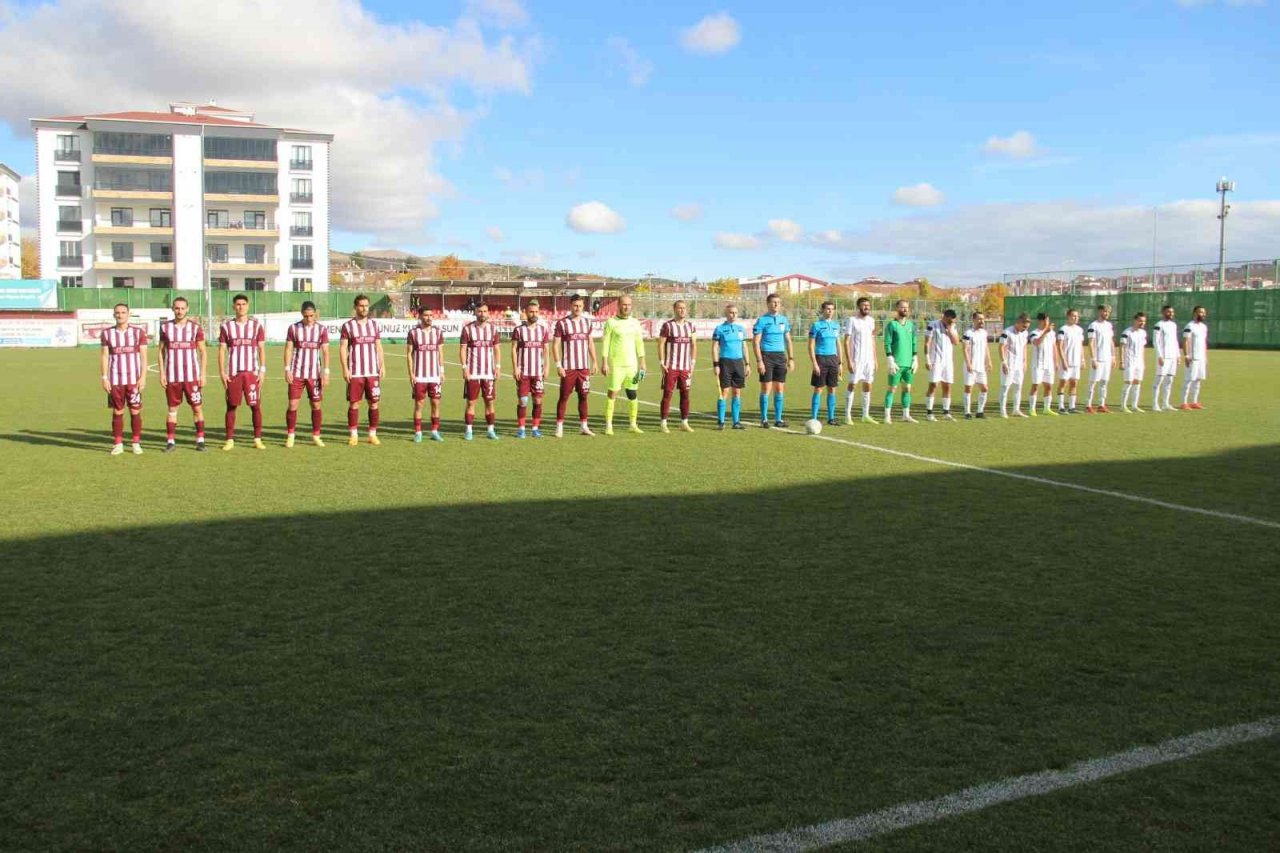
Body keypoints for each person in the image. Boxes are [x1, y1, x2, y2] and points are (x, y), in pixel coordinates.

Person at [157, 296, 207, 451]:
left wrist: (203, 374)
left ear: (187, 309)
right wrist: (162, 373)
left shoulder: (195, 328)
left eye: (182, 308)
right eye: (177, 308)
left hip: (192, 377)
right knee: (172, 409)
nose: (179, 311)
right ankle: (171, 442)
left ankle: (200, 440)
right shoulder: (165, 328)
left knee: (197, 408)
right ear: (173, 309)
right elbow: (160, 351)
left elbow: (203, 352)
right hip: (173, 377)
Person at [218, 293, 267, 450]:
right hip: (234, 373)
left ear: (248, 306)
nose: (240, 307)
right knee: (231, 406)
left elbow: (261, 349)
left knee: (255, 406)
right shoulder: (227, 327)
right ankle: (230, 439)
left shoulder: (256, 326)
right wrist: (222, 372)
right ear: (234, 307)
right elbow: (222, 351)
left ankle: (257, 438)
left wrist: (262, 369)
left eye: (243, 304)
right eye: (238, 304)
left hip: (252, 373)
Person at [101, 303, 147, 455]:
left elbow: (143, 357)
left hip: (134, 380)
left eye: (123, 312)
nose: (120, 315)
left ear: (128, 314)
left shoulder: (138, 332)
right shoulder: (107, 333)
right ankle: (118, 443)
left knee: (135, 411)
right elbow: (105, 356)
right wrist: (104, 377)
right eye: (117, 313)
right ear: (114, 315)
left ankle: (136, 442)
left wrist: (143, 377)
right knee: (118, 411)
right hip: (115, 380)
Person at [339, 294, 385, 446]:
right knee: (354, 404)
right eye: (361, 306)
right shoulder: (348, 326)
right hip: (355, 371)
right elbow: (343, 348)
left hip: (372, 372)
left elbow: (378, 346)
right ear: (355, 307)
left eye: (366, 305)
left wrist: (382, 365)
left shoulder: (374, 325)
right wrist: (345, 368)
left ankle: (372, 434)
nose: (364, 308)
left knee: (374, 404)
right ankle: (353, 434)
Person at [283, 301, 330, 447]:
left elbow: (326, 352)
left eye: (311, 316)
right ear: (301, 314)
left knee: (316, 404)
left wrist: (326, 371)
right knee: (292, 404)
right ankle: (291, 435)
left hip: (314, 374)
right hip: (297, 373)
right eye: (306, 316)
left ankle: (316, 435)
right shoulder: (294, 328)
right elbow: (289, 349)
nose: (309, 319)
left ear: (315, 313)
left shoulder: (321, 329)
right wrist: (287, 369)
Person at [553, 294, 598, 437]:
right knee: (564, 397)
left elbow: (590, 343)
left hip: (583, 367)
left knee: (584, 397)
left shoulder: (587, 323)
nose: (577, 308)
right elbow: (555, 346)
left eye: (579, 306)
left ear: (583, 306)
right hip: (568, 367)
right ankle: (559, 426)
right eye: (575, 305)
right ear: (570, 306)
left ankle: (584, 426)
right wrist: (559, 365)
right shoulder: (562, 323)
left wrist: (595, 361)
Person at [600, 295, 646, 435]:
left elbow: (639, 343)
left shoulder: (635, 323)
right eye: (624, 304)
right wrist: (605, 362)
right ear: (618, 305)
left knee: (632, 393)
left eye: (629, 305)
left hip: (632, 365)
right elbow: (606, 343)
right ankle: (608, 425)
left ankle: (632, 424)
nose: (627, 307)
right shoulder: (611, 323)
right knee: (613, 393)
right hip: (617, 365)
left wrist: (642, 362)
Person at [460, 302, 501, 441]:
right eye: (479, 311)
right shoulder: (467, 329)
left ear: (488, 312)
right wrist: (464, 367)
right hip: (473, 373)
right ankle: (469, 430)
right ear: (475, 312)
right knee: (471, 402)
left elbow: (496, 349)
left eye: (484, 311)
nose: (482, 314)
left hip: (489, 373)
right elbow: (463, 349)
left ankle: (490, 430)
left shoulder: (493, 329)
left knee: (490, 402)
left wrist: (498, 366)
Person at [511, 299, 551, 438]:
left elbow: (546, 350)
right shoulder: (519, 330)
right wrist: (515, 368)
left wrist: (547, 367)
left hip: (538, 372)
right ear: (526, 312)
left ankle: (535, 428)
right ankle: (521, 428)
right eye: (531, 312)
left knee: (538, 400)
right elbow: (513, 349)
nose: (533, 314)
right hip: (523, 372)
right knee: (523, 400)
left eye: (536, 312)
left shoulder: (542, 330)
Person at [753, 293, 793, 428]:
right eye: (774, 302)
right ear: (768, 304)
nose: (776, 304)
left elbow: (788, 340)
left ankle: (778, 419)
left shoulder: (784, 320)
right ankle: (764, 419)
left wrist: (791, 358)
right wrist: (759, 360)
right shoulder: (762, 321)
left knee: (780, 388)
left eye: (778, 302)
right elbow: (756, 342)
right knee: (766, 388)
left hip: (781, 357)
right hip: (767, 356)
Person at [407, 308, 446, 442]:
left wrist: (442, 371)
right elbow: (409, 354)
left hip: (435, 375)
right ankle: (418, 432)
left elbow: (440, 353)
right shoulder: (413, 333)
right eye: (426, 315)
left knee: (435, 403)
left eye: (431, 315)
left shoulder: (437, 332)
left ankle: (434, 431)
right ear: (420, 316)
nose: (429, 318)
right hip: (419, 376)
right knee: (419, 404)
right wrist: (411, 373)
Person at [659, 300, 697, 433]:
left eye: (684, 308)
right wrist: (662, 362)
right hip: (671, 366)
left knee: (685, 394)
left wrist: (692, 363)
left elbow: (693, 345)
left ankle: (684, 422)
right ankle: (663, 422)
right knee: (667, 393)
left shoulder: (691, 326)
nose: (682, 310)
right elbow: (661, 344)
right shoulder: (668, 326)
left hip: (685, 367)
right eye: (679, 308)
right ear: (674, 310)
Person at [712, 304, 751, 429]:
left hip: (738, 363)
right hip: (725, 363)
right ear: (726, 313)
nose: (733, 315)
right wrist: (716, 364)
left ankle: (736, 422)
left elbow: (744, 347)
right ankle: (721, 422)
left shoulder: (741, 329)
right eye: (730, 312)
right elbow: (714, 347)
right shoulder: (719, 329)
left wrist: (748, 364)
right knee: (724, 391)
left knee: (737, 392)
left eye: (735, 312)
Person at [882, 300, 918, 424]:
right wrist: (890, 359)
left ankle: (906, 415)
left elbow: (914, 342)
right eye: (902, 307)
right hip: (896, 363)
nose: (905, 310)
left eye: (907, 307)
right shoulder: (892, 325)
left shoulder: (911, 325)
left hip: (908, 364)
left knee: (907, 389)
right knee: (892, 388)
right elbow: (887, 343)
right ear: (897, 308)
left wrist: (915, 358)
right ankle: (887, 415)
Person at [843, 297, 878, 424]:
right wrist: (849, 360)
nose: (866, 307)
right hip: (856, 359)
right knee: (852, 384)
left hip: (869, 360)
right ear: (858, 306)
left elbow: (873, 340)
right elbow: (846, 341)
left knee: (868, 384)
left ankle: (865, 415)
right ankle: (847, 415)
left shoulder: (871, 321)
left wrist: (875, 359)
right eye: (864, 305)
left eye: (868, 305)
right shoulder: (852, 320)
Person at [808, 301, 842, 426]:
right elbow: (811, 346)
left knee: (832, 389)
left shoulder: (836, 325)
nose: (830, 311)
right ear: (822, 310)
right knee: (818, 389)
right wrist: (815, 363)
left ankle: (831, 417)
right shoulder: (816, 325)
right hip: (821, 358)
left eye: (832, 309)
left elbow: (838, 344)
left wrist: (840, 363)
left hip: (833, 359)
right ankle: (814, 418)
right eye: (828, 309)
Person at [924, 309, 960, 421]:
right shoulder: (933, 325)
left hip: (948, 361)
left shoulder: (952, 327)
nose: (951, 323)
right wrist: (927, 359)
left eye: (952, 321)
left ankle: (946, 412)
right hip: (936, 360)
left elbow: (956, 342)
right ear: (944, 317)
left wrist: (949, 330)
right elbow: (927, 343)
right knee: (933, 385)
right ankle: (929, 413)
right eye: (949, 321)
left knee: (947, 385)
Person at [1084, 304, 1116, 414]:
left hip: (1107, 358)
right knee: (1093, 382)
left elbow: (1111, 341)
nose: (1107, 313)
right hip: (1098, 359)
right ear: (1100, 311)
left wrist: (1113, 357)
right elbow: (1091, 342)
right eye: (1105, 311)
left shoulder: (1109, 325)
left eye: (1108, 312)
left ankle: (1101, 404)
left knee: (1104, 382)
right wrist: (1093, 359)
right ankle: (1088, 405)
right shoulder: (1093, 325)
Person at [998, 313, 1031, 418]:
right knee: (1005, 387)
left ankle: (1016, 409)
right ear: (1018, 322)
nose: (1025, 328)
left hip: (1019, 365)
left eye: (1027, 326)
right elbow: (1001, 347)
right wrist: (1003, 362)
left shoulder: (1025, 333)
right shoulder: (1007, 332)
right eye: (1024, 326)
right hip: (1009, 364)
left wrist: (1025, 361)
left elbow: (1025, 347)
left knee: (1018, 387)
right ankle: (1003, 410)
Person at [1027, 313, 1059, 417]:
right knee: (1036, 385)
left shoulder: (1052, 333)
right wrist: (1045, 332)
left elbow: (1054, 347)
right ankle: (1032, 409)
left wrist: (1056, 361)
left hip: (1049, 363)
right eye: (1045, 321)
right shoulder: (1034, 333)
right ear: (1040, 321)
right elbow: (1036, 342)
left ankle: (1047, 408)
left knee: (1049, 385)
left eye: (1048, 321)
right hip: (1038, 363)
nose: (1047, 323)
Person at [961, 310, 991, 419]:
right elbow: (964, 349)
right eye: (979, 319)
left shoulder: (984, 333)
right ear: (973, 320)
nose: (981, 321)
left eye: (983, 319)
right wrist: (968, 364)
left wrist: (989, 361)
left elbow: (986, 347)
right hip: (971, 366)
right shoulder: (968, 333)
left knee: (984, 388)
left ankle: (980, 411)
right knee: (969, 388)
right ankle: (967, 412)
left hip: (981, 367)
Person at [1054, 308, 1085, 414]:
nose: (1075, 318)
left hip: (1076, 362)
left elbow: (1080, 345)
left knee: (1074, 383)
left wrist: (1082, 359)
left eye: (1077, 316)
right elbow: (1059, 346)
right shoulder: (1063, 329)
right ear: (1068, 317)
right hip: (1066, 362)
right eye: (1073, 316)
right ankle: (1061, 407)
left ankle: (1072, 407)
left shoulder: (1079, 330)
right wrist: (1064, 361)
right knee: (1063, 383)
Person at [1180, 305, 1209, 410]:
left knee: (1198, 380)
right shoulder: (1189, 326)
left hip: (1201, 357)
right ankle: (1183, 402)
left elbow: (1204, 343)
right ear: (1195, 313)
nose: (1203, 314)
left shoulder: (1204, 327)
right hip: (1193, 357)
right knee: (1188, 379)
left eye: (1204, 312)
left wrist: (1205, 357)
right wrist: (1186, 355)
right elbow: (1185, 341)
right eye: (1200, 312)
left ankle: (1194, 401)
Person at [1151, 304, 1179, 412]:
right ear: (1163, 312)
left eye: (1172, 312)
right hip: (1164, 357)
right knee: (1159, 380)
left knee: (1170, 380)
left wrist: (1177, 355)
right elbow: (1155, 341)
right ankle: (1155, 404)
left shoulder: (1173, 325)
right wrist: (1159, 355)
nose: (1171, 314)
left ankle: (1166, 403)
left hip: (1172, 357)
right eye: (1168, 312)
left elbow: (1175, 340)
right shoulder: (1159, 325)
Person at [1119, 312, 1148, 413]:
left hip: (1139, 362)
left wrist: (1143, 361)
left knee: (1138, 383)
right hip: (1129, 361)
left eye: (1144, 321)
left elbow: (1143, 348)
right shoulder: (1127, 332)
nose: (1142, 323)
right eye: (1140, 321)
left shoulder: (1143, 333)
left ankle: (1134, 405)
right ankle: (1123, 405)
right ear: (1135, 321)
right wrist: (1122, 361)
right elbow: (1122, 347)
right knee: (1128, 383)